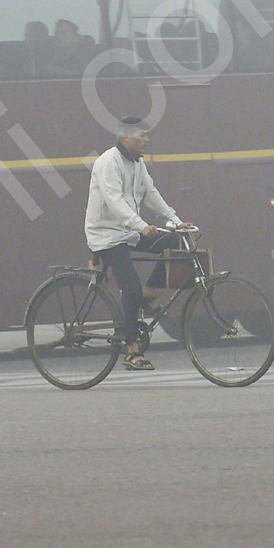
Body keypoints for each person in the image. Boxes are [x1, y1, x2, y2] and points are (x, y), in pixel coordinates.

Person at [85, 115, 194, 370]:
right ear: (126, 137)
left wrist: (175, 221)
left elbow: (151, 193)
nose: (147, 139)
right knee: (129, 288)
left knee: (176, 243)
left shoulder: (137, 164)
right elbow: (113, 201)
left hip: (129, 230)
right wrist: (141, 226)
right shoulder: (107, 162)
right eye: (142, 135)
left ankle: (148, 292)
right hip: (107, 234)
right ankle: (132, 350)